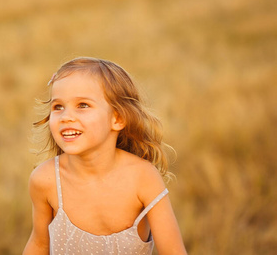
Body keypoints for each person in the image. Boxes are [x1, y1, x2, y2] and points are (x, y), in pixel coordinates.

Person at [23, 57, 187, 255]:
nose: (66, 116)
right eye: (58, 106)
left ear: (117, 118)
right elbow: (40, 244)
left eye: (82, 105)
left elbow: (173, 252)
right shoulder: (45, 180)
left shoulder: (143, 178)